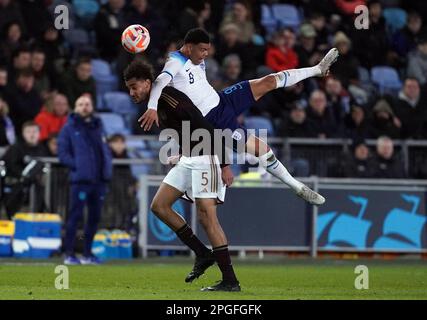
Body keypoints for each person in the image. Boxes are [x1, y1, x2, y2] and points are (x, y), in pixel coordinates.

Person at [139, 28, 339, 205]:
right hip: (215, 121)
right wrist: (152, 107)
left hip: (223, 99)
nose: (206, 54)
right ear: (189, 47)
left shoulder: (196, 58)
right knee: (263, 149)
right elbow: (159, 82)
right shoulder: (175, 61)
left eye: (207, 50)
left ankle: (317, 69)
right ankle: (298, 187)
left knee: (268, 81)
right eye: (202, 49)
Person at [124, 59, 240, 292]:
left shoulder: (168, 97)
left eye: (135, 87)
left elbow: (204, 126)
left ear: (148, 83)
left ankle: (230, 281)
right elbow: (185, 130)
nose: (132, 93)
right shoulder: (155, 105)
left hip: (206, 155)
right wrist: (180, 151)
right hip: (189, 157)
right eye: (129, 88)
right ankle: (202, 254)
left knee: (207, 217)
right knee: (159, 206)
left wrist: (225, 164)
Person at [58, 95, 112, 265]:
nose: (84, 107)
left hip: (99, 181)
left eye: (87, 104)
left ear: (92, 106)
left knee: (94, 218)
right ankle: (69, 253)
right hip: (80, 181)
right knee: (75, 217)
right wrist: (78, 166)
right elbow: (63, 154)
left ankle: (87, 254)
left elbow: (105, 150)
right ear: (75, 108)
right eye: (80, 104)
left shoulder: (98, 127)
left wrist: (106, 170)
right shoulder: (69, 128)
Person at [2, 121, 48, 219]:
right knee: (13, 215)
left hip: (36, 189)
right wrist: (25, 176)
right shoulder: (16, 148)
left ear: (39, 133)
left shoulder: (42, 149)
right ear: (23, 133)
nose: (32, 134)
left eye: (34, 131)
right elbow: (11, 166)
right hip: (15, 188)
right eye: (28, 132)